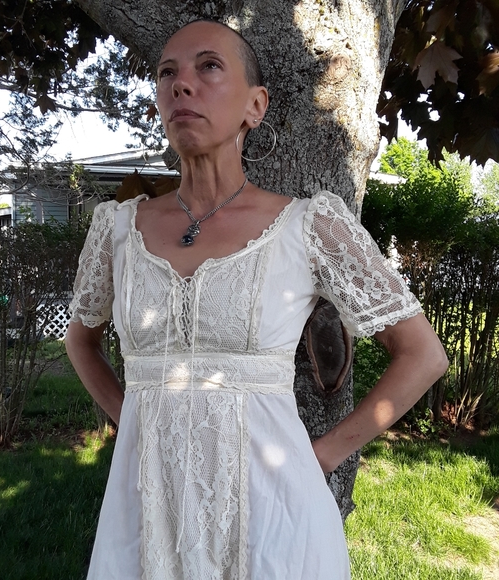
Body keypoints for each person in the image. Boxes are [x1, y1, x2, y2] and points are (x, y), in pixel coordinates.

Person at [65, 19, 448, 580]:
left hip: (273, 514)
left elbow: (423, 354)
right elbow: (80, 341)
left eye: (209, 66)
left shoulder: (308, 226)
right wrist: (133, 420)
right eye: (167, 73)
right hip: (145, 507)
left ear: (255, 106)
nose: (181, 83)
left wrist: (321, 456)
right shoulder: (117, 229)